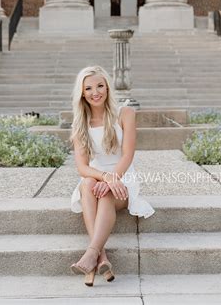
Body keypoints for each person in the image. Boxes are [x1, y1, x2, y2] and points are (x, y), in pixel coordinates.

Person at [69, 65, 155, 286]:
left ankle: (92, 254)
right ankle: (101, 258)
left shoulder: (125, 113)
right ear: (82, 92)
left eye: (100, 85)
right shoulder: (80, 123)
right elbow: (82, 167)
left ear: (107, 87)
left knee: (105, 194)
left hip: (123, 175)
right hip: (97, 176)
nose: (95, 92)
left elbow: (127, 155)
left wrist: (113, 178)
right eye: (88, 88)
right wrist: (105, 177)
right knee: (87, 182)